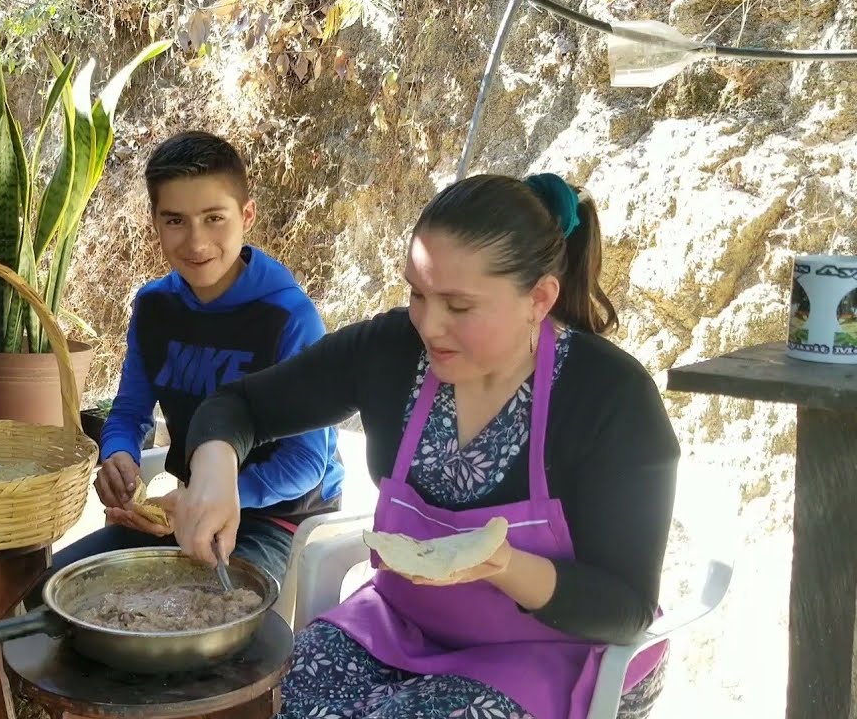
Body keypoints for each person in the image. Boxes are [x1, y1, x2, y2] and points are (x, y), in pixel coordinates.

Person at [174, 174, 677, 719]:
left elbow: (626, 608)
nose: (429, 325)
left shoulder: (610, 397)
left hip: (559, 654)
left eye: (459, 306)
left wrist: (500, 564)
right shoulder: (392, 351)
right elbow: (238, 406)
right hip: (401, 629)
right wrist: (215, 471)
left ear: (539, 298)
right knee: (267, 699)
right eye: (417, 293)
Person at [31, 131, 345, 605]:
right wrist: (118, 455)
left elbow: (305, 464)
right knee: (48, 593)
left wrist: (207, 499)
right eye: (175, 220)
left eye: (214, 218)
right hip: (183, 508)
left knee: (203, 612)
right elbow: (131, 410)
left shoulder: (288, 318)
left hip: (278, 515)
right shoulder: (155, 307)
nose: (196, 241)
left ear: (247, 216)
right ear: (154, 221)